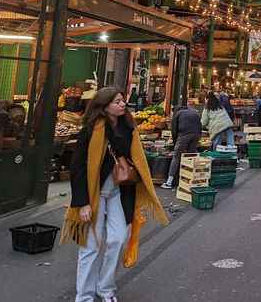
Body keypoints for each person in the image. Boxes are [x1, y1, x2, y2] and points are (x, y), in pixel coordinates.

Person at [63, 87, 168, 302]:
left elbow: (136, 159)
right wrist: (82, 203)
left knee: (118, 239)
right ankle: (84, 296)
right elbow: (78, 168)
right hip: (94, 194)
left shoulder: (128, 127)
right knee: (91, 246)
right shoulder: (91, 130)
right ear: (104, 106)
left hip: (119, 192)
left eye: (122, 101)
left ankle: (105, 288)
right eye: (118, 101)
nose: (123, 104)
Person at [161, 99, 201, 189]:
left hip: (184, 135)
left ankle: (169, 182)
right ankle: (192, 180)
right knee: (190, 156)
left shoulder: (177, 114)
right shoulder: (193, 112)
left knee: (176, 157)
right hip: (196, 135)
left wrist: (175, 143)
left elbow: (174, 130)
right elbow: (200, 126)